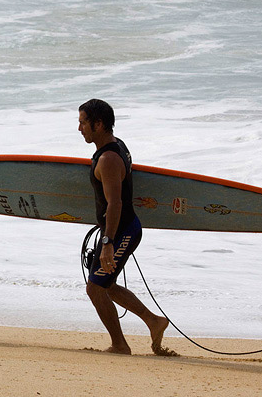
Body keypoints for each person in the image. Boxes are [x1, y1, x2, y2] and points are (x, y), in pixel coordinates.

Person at [78, 98, 170, 355]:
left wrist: (107, 243)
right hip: (119, 229)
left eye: (83, 122)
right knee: (105, 285)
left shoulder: (108, 158)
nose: (79, 128)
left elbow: (115, 203)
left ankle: (120, 345)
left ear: (98, 124)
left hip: (122, 230)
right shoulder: (117, 146)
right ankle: (154, 321)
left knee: (96, 288)